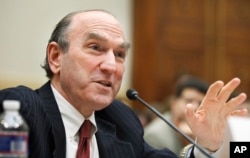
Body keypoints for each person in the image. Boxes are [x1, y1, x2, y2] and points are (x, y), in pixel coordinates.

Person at [0, 9, 248, 158]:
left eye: (119, 54)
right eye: (95, 48)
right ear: (56, 57)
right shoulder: (21, 109)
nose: (111, 66)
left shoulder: (119, 120)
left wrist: (206, 145)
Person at [144, 75, 209, 154]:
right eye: (189, 100)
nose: (195, 107)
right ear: (174, 103)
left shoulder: (207, 132)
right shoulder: (155, 136)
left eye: (200, 103)